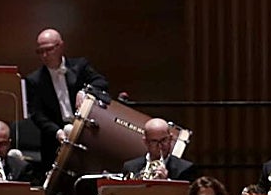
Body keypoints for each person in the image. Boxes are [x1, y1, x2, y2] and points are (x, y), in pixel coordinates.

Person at [26, 28, 109, 172]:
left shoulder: (80, 66)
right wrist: (57, 132)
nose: (44, 55)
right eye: (40, 51)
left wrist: (85, 91)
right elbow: (37, 114)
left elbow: (101, 82)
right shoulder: (34, 80)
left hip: (87, 131)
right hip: (55, 138)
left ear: (61, 46)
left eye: (49, 49)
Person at [123, 117, 196, 181]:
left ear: (170, 138)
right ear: (146, 142)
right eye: (154, 141)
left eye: (164, 140)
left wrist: (167, 182)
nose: (160, 146)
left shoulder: (185, 169)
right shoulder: (130, 167)